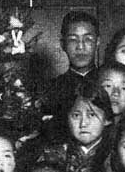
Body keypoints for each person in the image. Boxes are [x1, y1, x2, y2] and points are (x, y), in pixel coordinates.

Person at [36, 84, 114, 172]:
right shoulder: (52, 155)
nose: (83, 123)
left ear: (107, 119)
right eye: (76, 115)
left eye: (92, 115)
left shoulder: (114, 157)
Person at [39, 11, 100, 141]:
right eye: (73, 39)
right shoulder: (50, 90)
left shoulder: (109, 84)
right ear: (62, 44)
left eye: (88, 39)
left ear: (98, 42)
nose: (80, 46)